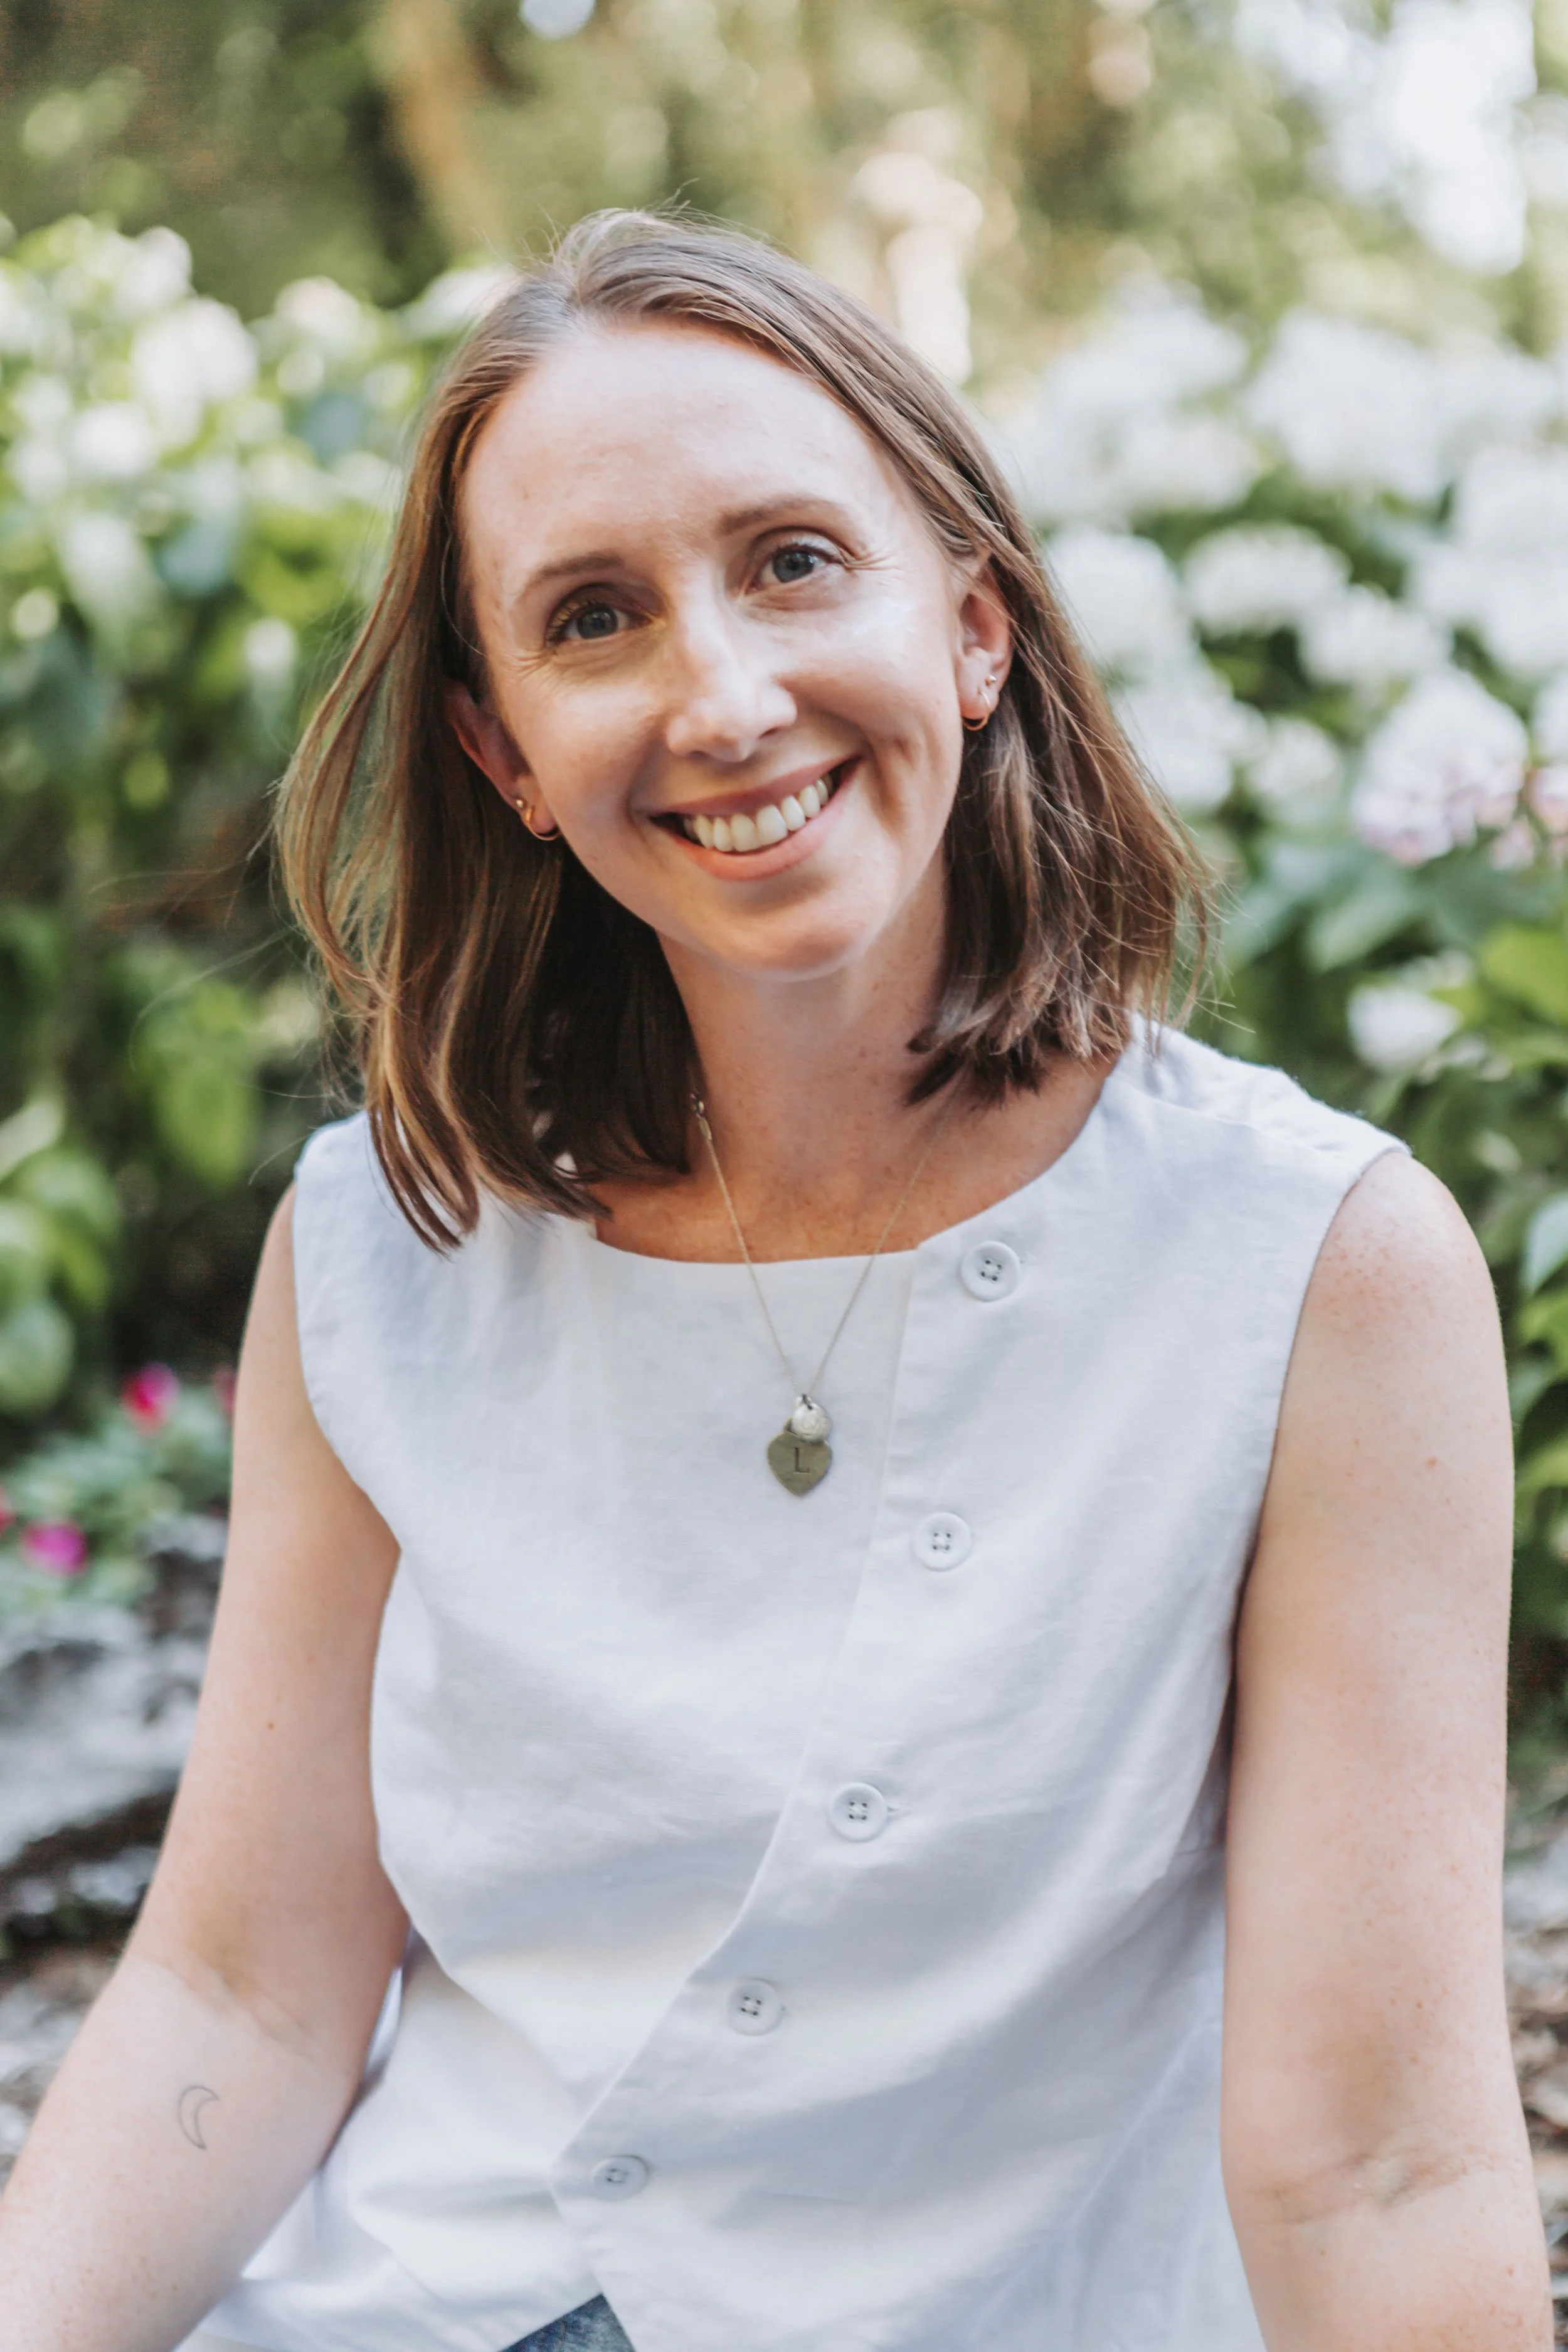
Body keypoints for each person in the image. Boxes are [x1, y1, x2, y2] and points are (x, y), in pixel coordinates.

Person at [0, 209, 1548, 2352]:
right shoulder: (383, 1247)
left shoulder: (1314, 1267)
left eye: (795, 561)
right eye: (594, 618)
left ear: (975, 627)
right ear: (504, 754)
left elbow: (1374, 2166)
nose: (722, 698)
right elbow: (242, 1991)